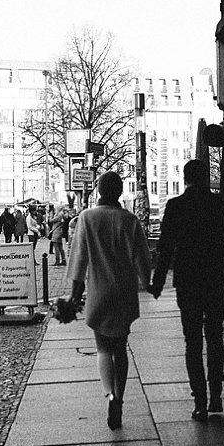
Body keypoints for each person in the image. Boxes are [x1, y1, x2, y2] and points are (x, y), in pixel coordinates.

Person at [147, 160, 224, 422]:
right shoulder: (222, 204)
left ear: (185, 178)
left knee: (192, 341)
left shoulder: (176, 206)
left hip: (188, 282)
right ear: (206, 178)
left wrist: (158, 282)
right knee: (215, 335)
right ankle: (216, 396)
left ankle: (199, 401)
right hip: (215, 281)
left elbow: (165, 248)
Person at [67, 172, 151, 430]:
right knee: (120, 348)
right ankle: (121, 398)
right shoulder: (130, 220)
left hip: (99, 291)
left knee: (103, 348)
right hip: (124, 292)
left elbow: (79, 257)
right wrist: (147, 283)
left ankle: (109, 394)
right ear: (119, 192)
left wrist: (74, 293)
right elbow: (142, 258)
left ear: (99, 190)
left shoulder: (87, 218)